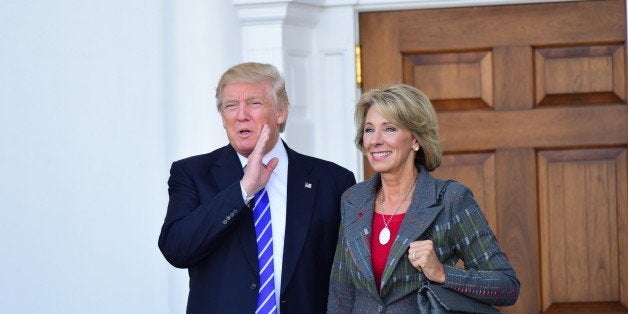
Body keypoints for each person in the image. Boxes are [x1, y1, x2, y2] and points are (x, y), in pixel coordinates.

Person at [158, 62, 356, 314]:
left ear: (281, 112)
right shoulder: (192, 173)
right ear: (223, 117)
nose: (241, 115)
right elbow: (177, 250)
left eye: (254, 103)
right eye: (231, 106)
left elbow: (349, 275)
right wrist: (243, 190)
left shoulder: (332, 181)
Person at [327, 84, 520, 312]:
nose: (375, 140)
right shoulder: (352, 199)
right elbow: (342, 292)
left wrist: (441, 273)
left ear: (416, 139)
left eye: (389, 129)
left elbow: (506, 286)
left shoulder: (450, 199)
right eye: (369, 130)